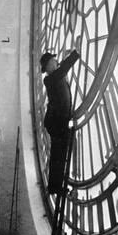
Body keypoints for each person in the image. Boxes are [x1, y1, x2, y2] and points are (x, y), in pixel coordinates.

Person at [40, 45, 80, 194]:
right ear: (48, 66)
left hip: (58, 123)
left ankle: (55, 186)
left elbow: (62, 67)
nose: (55, 62)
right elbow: (63, 68)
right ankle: (55, 187)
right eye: (52, 61)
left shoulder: (55, 76)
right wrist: (76, 54)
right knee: (58, 156)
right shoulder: (50, 79)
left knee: (59, 155)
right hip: (57, 124)